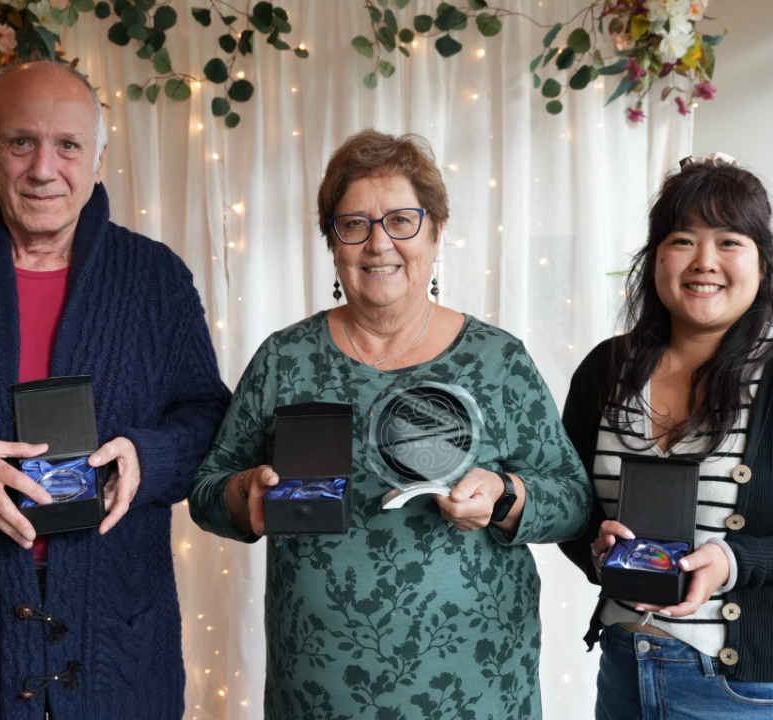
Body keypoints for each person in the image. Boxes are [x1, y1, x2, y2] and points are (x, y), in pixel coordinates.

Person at [189, 129, 591, 719]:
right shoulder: (285, 358)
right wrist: (245, 495)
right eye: (353, 224)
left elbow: (574, 498)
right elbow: (207, 488)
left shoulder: (497, 360)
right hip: (320, 684)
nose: (379, 244)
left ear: (435, 231)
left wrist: (506, 495)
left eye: (401, 220)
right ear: (333, 242)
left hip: (475, 685)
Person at [0, 58, 230, 720]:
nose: (43, 168)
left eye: (67, 145)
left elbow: (210, 419)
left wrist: (149, 458)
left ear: (98, 156)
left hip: (120, 647)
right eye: (20, 142)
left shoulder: (156, 279)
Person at [559, 154, 773, 719]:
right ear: (655, 257)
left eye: (730, 241)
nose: (704, 261)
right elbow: (565, 502)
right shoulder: (605, 369)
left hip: (753, 692)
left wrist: (734, 562)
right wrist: (595, 547)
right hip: (624, 669)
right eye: (682, 239)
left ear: (762, 262)